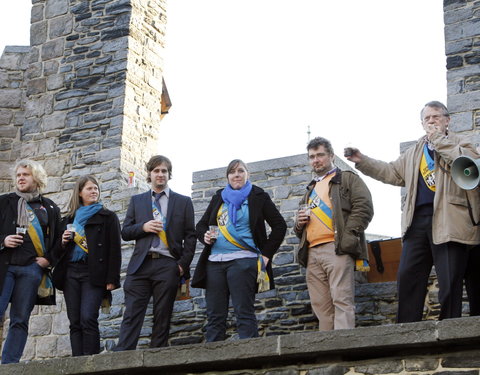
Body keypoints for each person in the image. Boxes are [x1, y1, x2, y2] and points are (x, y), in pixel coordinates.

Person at [345, 100, 480, 323]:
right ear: (421, 123)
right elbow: (391, 172)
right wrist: (363, 161)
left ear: (448, 120)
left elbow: (468, 165)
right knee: (408, 277)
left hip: (450, 220)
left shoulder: (461, 142)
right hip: (417, 221)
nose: (431, 121)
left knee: (449, 281)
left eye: (436, 116)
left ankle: (449, 329)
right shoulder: (414, 151)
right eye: (427, 118)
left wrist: (438, 139)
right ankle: (406, 331)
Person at [192, 159, 287, 342]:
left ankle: (250, 360)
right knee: (214, 317)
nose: (236, 174)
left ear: (247, 174)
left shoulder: (258, 196)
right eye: (232, 171)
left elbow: (279, 226)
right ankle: (213, 362)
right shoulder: (219, 197)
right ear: (227, 176)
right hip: (215, 263)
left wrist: (266, 255)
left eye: (241, 171)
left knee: (244, 312)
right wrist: (204, 235)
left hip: (244, 262)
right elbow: (201, 225)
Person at [114, 155, 196, 350]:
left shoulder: (183, 202)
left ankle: (156, 359)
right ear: (149, 174)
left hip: (168, 264)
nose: (160, 174)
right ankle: (122, 357)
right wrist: (143, 227)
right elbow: (125, 232)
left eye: (164, 171)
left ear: (169, 175)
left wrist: (182, 265)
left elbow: (191, 236)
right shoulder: (137, 200)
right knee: (132, 314)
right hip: (140, 265)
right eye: (156, 171)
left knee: (162, 315)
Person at [294, 137, 373, 331]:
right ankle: (328, 354)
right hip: (312, 252)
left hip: (336, 248)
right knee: (321, 307)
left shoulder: (347, 178)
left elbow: (364, 208)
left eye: (320, 155)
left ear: (331, 155)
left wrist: (348, 235)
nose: (316, 160)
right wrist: (298, 223)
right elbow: (299, 229)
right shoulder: (310, 189)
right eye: (312, 157)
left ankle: (344, 354)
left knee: (342, 301)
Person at [52, 175, 121, 356]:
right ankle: (77, 364)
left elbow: (114, 250)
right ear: (80, 193)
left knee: (88, 318)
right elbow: (56, 253)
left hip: (94, 273)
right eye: (89, 188)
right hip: (71, 273)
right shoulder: (68, 219)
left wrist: (112, 279)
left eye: (96, 188)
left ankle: (90, 364)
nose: (94, 191)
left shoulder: (108, 217)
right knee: (75, 321)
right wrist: (62, 242)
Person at [0, 159, 61, 364]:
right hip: (4, 267)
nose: (20, 178)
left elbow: (59, 240)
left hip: (31, 269)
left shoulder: (50, 207)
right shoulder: (4, 201)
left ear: (36, 178)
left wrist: (48, 260)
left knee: (20, 320)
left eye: (25, 174)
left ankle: (9, 365)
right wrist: (3, 241)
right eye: (18, 175)